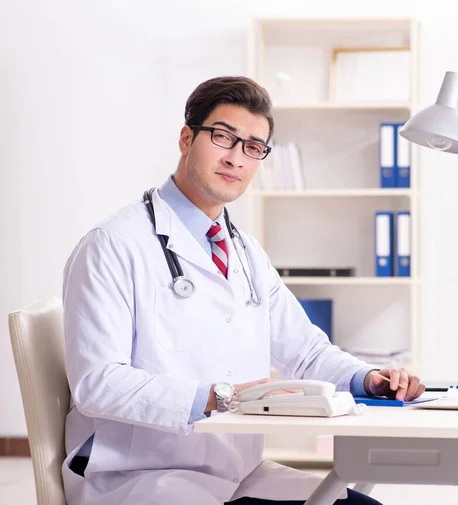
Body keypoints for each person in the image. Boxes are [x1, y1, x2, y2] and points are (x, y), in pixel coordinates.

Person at [62, 75, 425, 505]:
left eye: (253, 147)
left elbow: (306, 352)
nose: (237, 158)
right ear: (186, 138)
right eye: (223, 137)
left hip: (236, 473)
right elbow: (98, 383)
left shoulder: (246, 253)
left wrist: (368, 379)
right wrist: (219, 398)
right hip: (139, 475)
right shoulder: (112, 244)